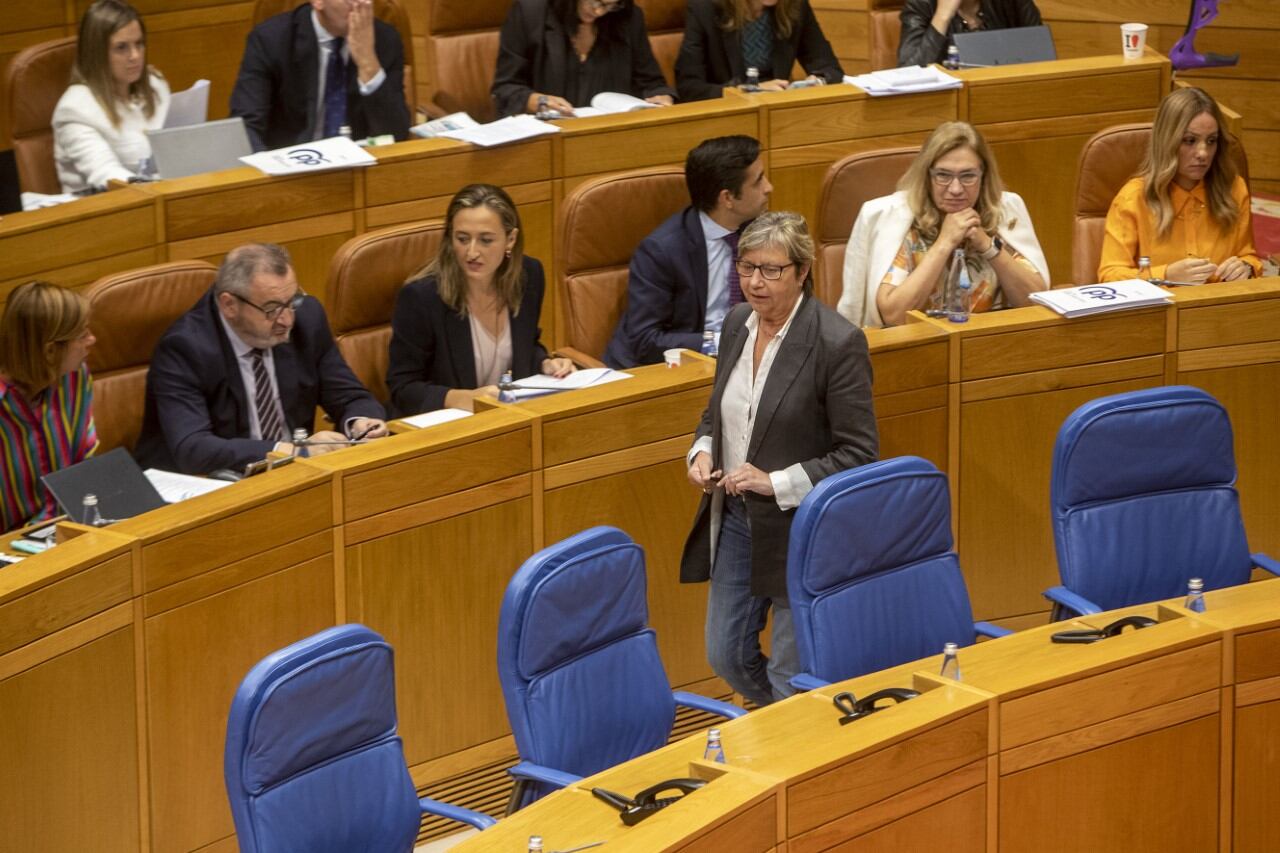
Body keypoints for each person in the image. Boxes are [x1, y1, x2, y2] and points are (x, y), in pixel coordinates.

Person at [680, 211, 877, 706]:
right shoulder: (735, 325)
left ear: (802, 271)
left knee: (791, 672)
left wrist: (777, 482)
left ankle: (788, 754)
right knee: (723, 653)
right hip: (736, 520)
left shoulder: (837, 343)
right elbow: (718, 413)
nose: (755, 282)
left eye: (772, 270)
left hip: (801, 527)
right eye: (747, 267)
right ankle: (785, 726)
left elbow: (859, 453)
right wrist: (703, 450)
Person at [135, 243, 386, 475]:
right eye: (272, 309)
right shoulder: (185, 347)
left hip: (294, 476)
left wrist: (361, 423)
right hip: (213, 485)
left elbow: (350, 396)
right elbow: (194, 448)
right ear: (229, 305)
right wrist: (288, 450)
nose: (287, 319)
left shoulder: (307, 318)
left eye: (292, 301)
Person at [839, 121, 1049, 328]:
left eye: (968, 176)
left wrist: (986, 245)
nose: (956, 189)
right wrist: (945, 242)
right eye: (943, 175)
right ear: (927, 176)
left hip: (990, 343)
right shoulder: (898, 220)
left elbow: (1035, 302)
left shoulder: (1004, 212)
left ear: (983, 177)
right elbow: (894, 317)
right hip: (918, 348)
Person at [387, 184, 573, 414]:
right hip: (448, 428)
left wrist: (545, 363)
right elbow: (403, 388)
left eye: (485, 240)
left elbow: (524, 346)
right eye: (462, 239)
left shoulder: (528, 276)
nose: (472, 252)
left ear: (511, 239)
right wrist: (465, 398)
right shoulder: (422, 297)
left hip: (509, 418)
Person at [604, 135, 772, 367]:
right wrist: (722, 342)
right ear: (728, 198)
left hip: (741, 362)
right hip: (675, 369)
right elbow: (645, 340)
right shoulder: (662, 251)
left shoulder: (760, 232)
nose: (769, 188)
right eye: (758, 181)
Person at [1098, 87, 1260, 284]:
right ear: (1167, 141)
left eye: (1211, 141)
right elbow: (1110, 276)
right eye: (1189, 141)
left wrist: (1246, 267)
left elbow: (1249, 256)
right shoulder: (1133, 198)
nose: (1203, 153)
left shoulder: (1233, 189)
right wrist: (1164, 275)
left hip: (1219, 307)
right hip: (1160, 310)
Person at [230, 0, 411, 152]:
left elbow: (396, 136)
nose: (362, 6)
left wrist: (368, 62)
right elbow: (246, 127)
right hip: (291, 169)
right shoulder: (270, 40)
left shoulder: (385, 40)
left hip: (359, 172)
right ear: (318, 2)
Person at [0, 282, 98, 533]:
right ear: (50, 351)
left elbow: (84, 463)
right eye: (81, 335)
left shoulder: (74, 379)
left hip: (66, 528)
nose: (92, 339)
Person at [52, 0, 170, 193]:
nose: (135, 56)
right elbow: (106, 174)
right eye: (121, 47)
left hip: (161, 198)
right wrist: (157, 187)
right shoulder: (75, 110)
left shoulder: (156, 85)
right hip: (101, 212)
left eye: (139, 44)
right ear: (97, 53)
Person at [492, 0, 675, 118]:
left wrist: (661, 98)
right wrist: (537, 101)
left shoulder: (627, 17)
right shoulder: (530, 12)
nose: (599, 12)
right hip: (547, 136)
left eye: (610, 4)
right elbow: (505, 89)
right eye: (594, 1)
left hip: (608, 134)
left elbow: (651, 82)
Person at [675, 0, 843, 102]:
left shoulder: (795, 5)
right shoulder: (704, 7)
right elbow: (689, 88)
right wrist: (747, 91)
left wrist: (818, 81)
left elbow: (830, 68)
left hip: (776, 108)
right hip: (727, 113)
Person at [897, 0, 1042, 68]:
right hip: (947, 102)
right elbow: (908, 71)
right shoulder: (922, 5)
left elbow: (1042, 54)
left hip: (1004, 93)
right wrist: (942, 16)